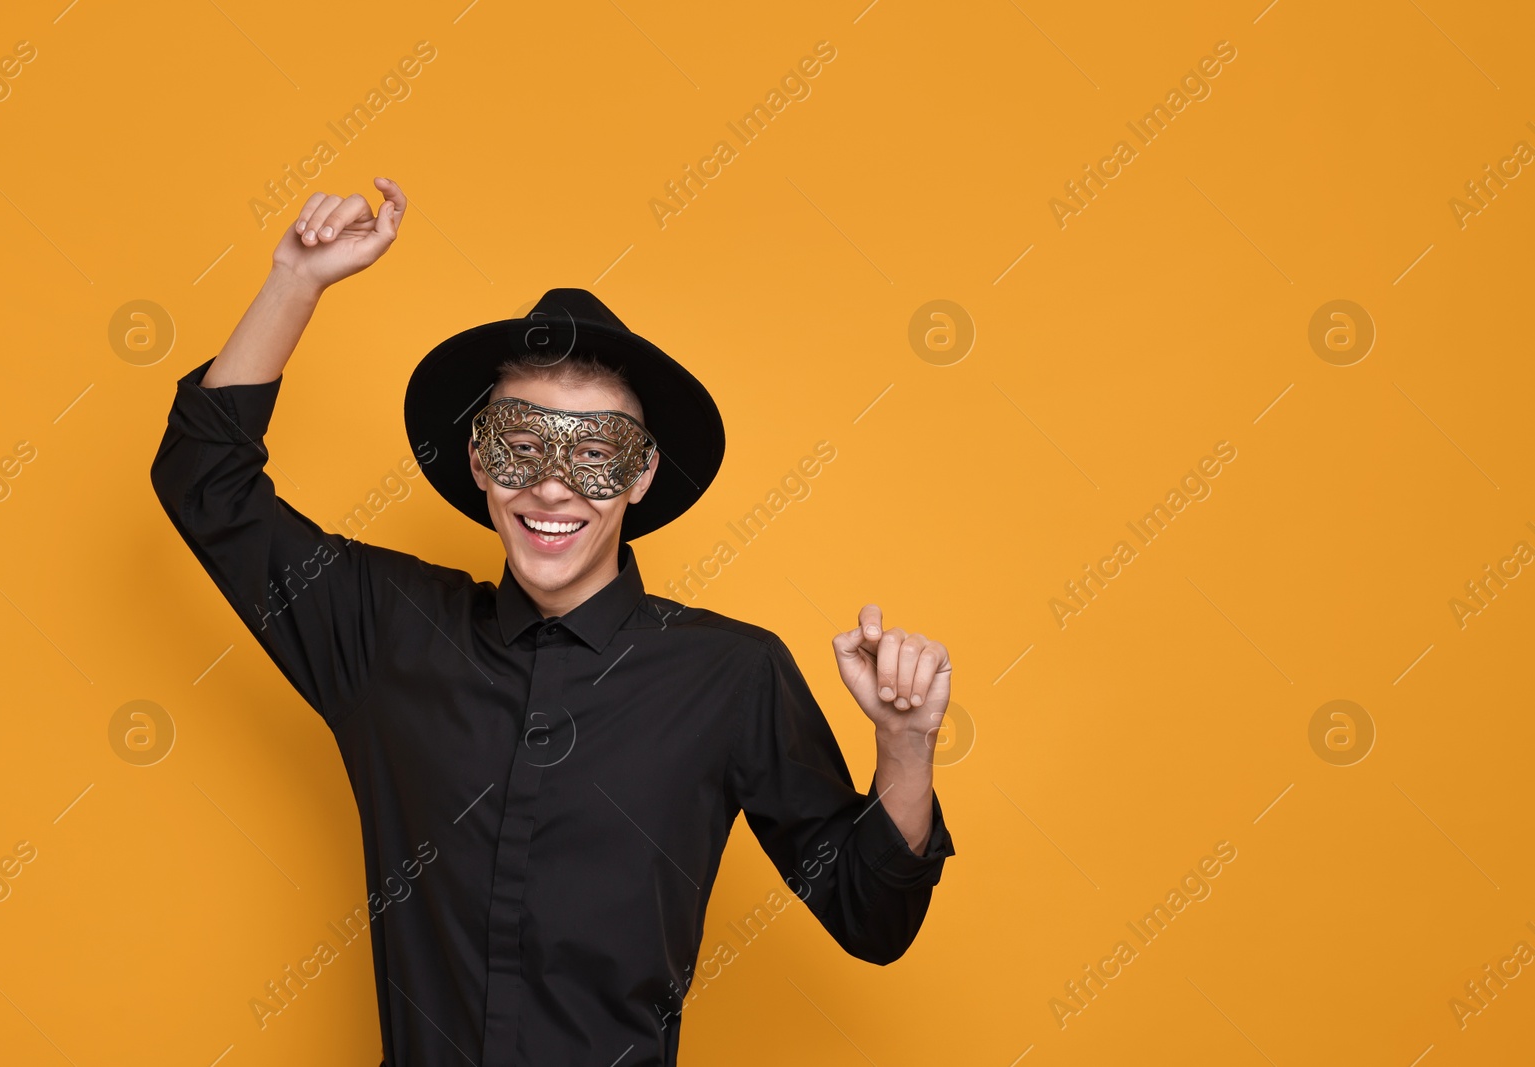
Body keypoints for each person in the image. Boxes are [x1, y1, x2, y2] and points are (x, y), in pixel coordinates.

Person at [150, 176, 957, 1067]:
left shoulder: (731, 676)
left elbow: (871, 919)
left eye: (595, 455)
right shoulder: (383, 629)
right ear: (479, 461)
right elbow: (204, 481)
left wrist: (906, 748)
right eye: (522, 448)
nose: (551, 486)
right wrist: (294, 280)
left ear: (641, 476)